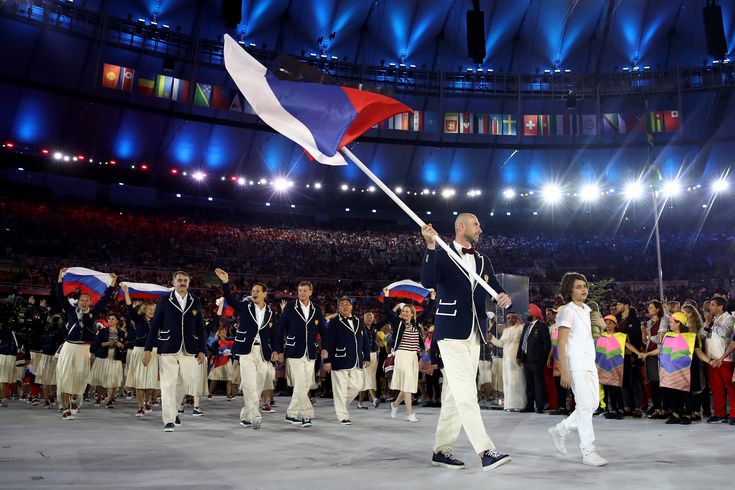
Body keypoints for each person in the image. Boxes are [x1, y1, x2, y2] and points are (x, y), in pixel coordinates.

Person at [420, 213, 513, 471]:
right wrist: (429, 246)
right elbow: (427, 282)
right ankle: (485, 450)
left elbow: (494, 288)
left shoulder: (483, 260)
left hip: (475, 333)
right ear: (461, 227)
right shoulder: (441, 252)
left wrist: (504, 297)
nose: (480, 229)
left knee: (454, 392)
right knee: (466, 391)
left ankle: (442, 449)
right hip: (449, 331)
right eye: (476, 224)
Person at [548, 272, 607, 467]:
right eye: (578, 287)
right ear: (569, 290)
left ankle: (561, 429)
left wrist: (603, 325)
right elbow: (561, 342)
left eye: (585, 286)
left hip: (589, 363)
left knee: (592, 405)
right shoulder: (567, 311)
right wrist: (564, 370)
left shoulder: (588, 309)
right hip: (575, 364)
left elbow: (592, 335)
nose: (584, 289)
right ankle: (588, 451)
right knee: (583, 406)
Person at [143, 271, 207, 432]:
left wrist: (202, 350)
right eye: (179, 280)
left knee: (185, 383)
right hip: (167, 348)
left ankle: (174, 409)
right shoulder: (165, 300)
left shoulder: (195, 301)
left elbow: (200, 327)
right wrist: (148, 349)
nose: (182, 283)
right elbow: (155, 325)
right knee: (168, 384)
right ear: (173, 282)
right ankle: (168, 420)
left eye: (185, 280)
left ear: (189, 283)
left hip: (189, 348)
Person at [214, 269, 278, 429]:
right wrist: (225, 282)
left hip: (263, 352)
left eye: (257, 291)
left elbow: (275, 334)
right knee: (249, 384)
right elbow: (229, 298)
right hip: (246, 350)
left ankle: (246, 415)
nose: (254, 293)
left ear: (265, 293)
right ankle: (255, 414)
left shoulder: (271, 312)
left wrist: (276, 350)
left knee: (258, 384)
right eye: (253, 291)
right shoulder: (244, 306)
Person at [55, 268, 116, 420]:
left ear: (90, 302)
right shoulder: (70, 310)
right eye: (82, 300)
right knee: (66, 377)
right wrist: (60, 277)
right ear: (78, 301)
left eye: (86, 300)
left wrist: (113, 283)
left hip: (84, 349)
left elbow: (105, 298)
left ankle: (75, 399)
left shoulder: (93, 313)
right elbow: (59, 295)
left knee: (81, 377)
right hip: (70, 348)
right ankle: (65, 409)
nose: (84, 302)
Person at [641, 312, 709, 425]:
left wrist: (710, 361)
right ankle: (676, 415)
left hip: (686, 370)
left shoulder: (692, 337)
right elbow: (661, 350)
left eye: (672, 322)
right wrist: (647, 354)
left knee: (686, 392)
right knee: (671, 392)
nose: (670, 324)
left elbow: (698, 352)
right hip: (669, 370)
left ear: (679, 323)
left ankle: (687, 415)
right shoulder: (667, 335)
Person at [276, 281, 326, 428]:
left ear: (311, 292)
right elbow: (280, 330)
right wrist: (279, 350)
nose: (302, 293)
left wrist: (325, 347)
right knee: (300, 383)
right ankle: (306, 415)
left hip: (311, 351)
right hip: (293, 351)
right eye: (300, 290)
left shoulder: (316, 308)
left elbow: (323, 330)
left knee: (304, 385)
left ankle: (291, 413)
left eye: (305, 290)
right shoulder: (291, 307)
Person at [382, 289, 435, 422]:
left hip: (413, 357)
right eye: (403, 311)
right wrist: (387, 296)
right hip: (402, 355)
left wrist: (432, 298)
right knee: (407, 385)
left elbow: (428, 312)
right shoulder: (397, 322)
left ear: (412, 313)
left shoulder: (416, 323)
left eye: (407, 311)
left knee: (409, 385)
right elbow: (387, 312)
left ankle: (394, 405)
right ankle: (410, 413)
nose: (404, 313)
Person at [324, 297, 371, 424]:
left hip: (356, 360)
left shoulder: (358, 321)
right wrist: (327, 360)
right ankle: (343, 416)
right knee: (340, 389)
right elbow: (328, 342)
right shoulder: (334, 322)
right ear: (338, 308)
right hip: (339, 359)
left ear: (352, 307)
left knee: (357, 386)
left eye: (347, 304)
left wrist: (367, 357)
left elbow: (365, 340)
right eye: (342, 305)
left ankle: (340, 405)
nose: (345, 306)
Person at [121, 284, 158, 417]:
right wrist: (126, 292)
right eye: (150, 309)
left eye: (154, 309)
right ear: (144, 309)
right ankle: (140, 406)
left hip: (154, 352)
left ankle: (147, 400)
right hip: (139, 351)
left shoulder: (158, 321)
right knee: (140, 381)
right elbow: (129, 307)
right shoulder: (138, 319)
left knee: (150, 382)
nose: (152, 311)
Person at [704, 296, 735, 423]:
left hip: (725, 358)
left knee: (731, 388)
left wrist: (713, 323)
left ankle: (733, 414)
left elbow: (725, 333)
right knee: (716, 388)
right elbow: (702, 334)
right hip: (712, 358)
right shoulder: (712, 319)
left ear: (720, 307)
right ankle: (719, 414)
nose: (710, 307)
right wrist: (707, 324)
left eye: (712, 304)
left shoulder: (729, 318)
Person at [517, 303, 550, 413]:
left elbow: (546, 344)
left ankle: (540, 406)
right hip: (526, 359)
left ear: (535, 313)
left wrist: (543, 360)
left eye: (530, 312)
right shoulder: (526, 326)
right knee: (529, 384)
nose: (528, 314)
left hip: (537, 361)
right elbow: (522, 342)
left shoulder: (542, 326)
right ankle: (529, 406)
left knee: (538, 384)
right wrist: (519, 356)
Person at [489, 312, 526, 411]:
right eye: (508, 318)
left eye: (513, 317)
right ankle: (510, 405)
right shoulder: (505, 331)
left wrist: (522, 357)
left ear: (517, 318)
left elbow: (524, 343)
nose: (510, 320)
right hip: (507, 361)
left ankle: (520, 405)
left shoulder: (521, 328)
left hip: (517, 360)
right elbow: (501, 344)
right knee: (508, 382)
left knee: (517, 382)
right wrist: (492, 338)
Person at [89, 314, 126, 408]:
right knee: (101, 379)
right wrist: (108, 343)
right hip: (103, 357)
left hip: (115, 357)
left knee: (113, 380)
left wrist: (119, 344)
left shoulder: (121, 332)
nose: (110, 320)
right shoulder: (102, 331)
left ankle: (109, 400)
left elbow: (124, 345)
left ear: (117, 321)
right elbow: (97, 344)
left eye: (113, 319)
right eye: (109, 319)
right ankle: (99, 397)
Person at [357, 312, 381, 409]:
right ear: (363, 318)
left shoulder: (375, 327)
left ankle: (360, 403)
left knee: (366, 378)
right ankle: (374, 398)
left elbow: (387, 318)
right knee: (368, 376)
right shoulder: (360, 327)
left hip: (374, 354)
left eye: (371, 317)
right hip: (364, 355)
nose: (369, 319)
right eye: (367, 317)